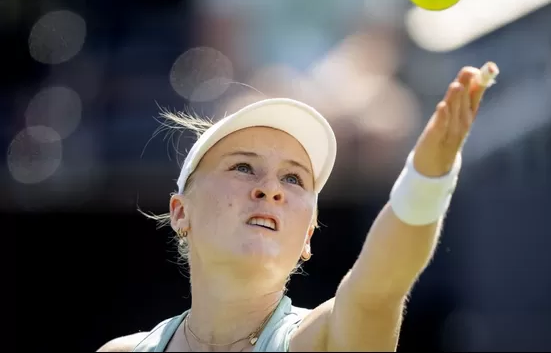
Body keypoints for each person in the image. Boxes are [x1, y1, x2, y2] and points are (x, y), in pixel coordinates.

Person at [97, 63, 499, 352]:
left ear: (308, 235)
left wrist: (429, 175)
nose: (270, 189)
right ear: (181, 212)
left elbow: (380, 286)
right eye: (243, 167)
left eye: (293, 179)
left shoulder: (323, 340)